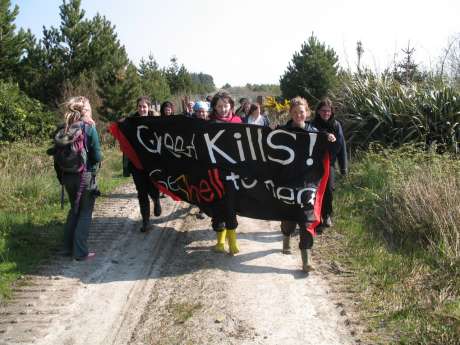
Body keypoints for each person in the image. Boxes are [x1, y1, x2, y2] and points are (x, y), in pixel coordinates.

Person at [279, 96, 337, 272]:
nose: (298, 115)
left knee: (306, 220)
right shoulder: (282, 131)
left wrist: (330, 139)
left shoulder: (315, 132)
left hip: (307, 184)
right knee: (288, 219)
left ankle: (306, 259)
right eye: (295, 112)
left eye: (301, 112)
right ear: (290, 113)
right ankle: (286, 236)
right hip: (287, 182)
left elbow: (329, 151)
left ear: (307, 113)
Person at [59, 96, 102, 261]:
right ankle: (80, 252)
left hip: (67, 176)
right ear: (85, 111)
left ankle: (66, 248)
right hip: (85, 176)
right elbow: (97, 156)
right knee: (85, 212)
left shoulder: (65, 128)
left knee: (74, 210)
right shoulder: (89, 127)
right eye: (90, 108)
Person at [208, 91, 242, 255]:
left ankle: (233, 242)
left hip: (233, 173)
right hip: (214, 173)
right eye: (219, 106)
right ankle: (220, 242)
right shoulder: (209, 124)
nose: (223, 109)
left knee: (231, 205)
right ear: (214, 107)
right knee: (217, 205)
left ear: (231, 106)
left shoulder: (238, 122)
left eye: (226, 105)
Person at [124, 96, 162, 232]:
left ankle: (156, 200)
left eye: (144, 106)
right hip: (136, 164)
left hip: (152, 163)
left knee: (153, 187)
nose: (141, 109)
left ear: (149, 107)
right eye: (139, 106)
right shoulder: (131, 122)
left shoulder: (156, 121)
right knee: (141, 192)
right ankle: (146, 221)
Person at [312, 97, 347, 229]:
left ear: (332, 112)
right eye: (323, 110)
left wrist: (344, 167)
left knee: (329, 190)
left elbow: (342, 146)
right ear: (318, 111)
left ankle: (327, 215)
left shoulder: (336, 125)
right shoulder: (312, 124)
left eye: (328, 111)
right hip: (313, 164)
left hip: (329, 163)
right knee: (315, 191)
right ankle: (316, 217)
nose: (326, 113)